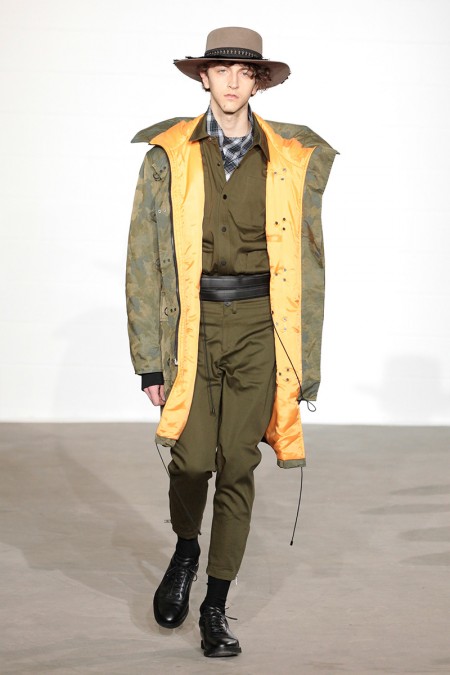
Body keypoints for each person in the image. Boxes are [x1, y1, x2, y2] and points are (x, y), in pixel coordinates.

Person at [126, 26, 337, 658]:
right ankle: (186, 548)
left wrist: (305, 360)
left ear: (258, 82)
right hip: (190, 327)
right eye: (221, 70)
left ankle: (215, 605)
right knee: (192, 461)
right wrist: (149, 360)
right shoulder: (168, 155)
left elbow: (309, 261)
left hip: (258, 328)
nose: (232, 82)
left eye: (245, 73)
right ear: (204, 77)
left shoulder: (290, 158)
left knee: (238, 464)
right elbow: (143, 258)